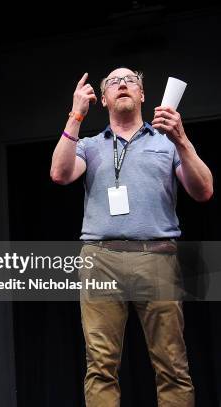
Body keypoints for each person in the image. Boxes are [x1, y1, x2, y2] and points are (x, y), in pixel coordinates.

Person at [50, 68, 213, 406]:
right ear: (104, 99)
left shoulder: (166, 142)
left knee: (171, 364)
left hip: (157, 256)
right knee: (100, 366)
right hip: (101, 259)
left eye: (131, 81)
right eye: (112, 82)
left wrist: (181, 139)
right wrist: (75, 115)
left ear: (142, 95)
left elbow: (203, 191)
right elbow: (60, 174)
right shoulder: (90, 145)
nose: (122, 84)